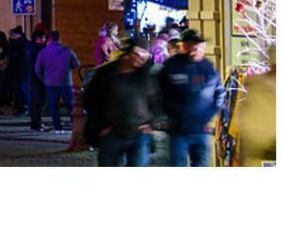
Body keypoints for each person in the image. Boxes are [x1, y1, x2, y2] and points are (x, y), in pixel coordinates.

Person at [84, 38, 161, 167]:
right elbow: (90, 99)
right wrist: (101, 126)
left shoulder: (146, 75)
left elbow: (156, 99)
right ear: (127, 55)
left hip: (139, 133)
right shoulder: (107, 74)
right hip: (111, 132)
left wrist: (150, 123)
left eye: (145, 55)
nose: (142, 59)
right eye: (139, 54)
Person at [161, 28, 223, 168]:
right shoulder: (172, 67)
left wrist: (209, 115)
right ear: (183, 46)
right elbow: (160, 93)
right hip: (178, 131)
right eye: (192, 46)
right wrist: (173, 114)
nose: (196, 51)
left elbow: (219, 93)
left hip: (201, 130)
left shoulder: (208, 67)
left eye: (199, 47)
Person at [33, 30, 81, 132]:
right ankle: (75, 126)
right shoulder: (67, 50)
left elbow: (37, 69)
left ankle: (58, 128)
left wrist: (44, 79)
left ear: (49, 39)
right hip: (65, 82)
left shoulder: (43, 52)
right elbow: (76, 65)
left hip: (50, 82)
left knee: (53, 106)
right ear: (59, 39)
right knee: (70, 105)